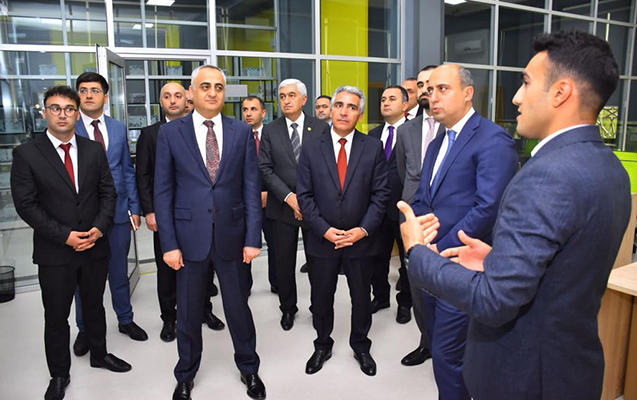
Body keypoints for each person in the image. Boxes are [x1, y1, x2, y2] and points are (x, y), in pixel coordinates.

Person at [400, 31, 631, 400]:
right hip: (570, 365)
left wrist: (419, 253)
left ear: (561, 92)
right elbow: (565, 268)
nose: (516, 97)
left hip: (525, 376)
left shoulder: (546, 175)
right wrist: (498, 259)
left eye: (526, 82)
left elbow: (494, 301)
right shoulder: (609, 167)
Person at [11, 86, 130, 400]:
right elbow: (26, 205)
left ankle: (99, 354)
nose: (62, 114)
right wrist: (65, 236)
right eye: (55, 108)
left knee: (94, 306)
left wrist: (99, 228)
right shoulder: (27, 154)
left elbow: (108, 193)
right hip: (55, 251)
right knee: (56, 316)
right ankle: (59, 374)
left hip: (94, 245)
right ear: (44, 113)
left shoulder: (93, 150)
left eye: (68, 109)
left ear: (77, 114)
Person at [154, 65, 266, 400]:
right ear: (192, 92)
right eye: (205, 86)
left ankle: (249, 368)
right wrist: (169, 244)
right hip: (188, 239)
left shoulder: (241, 132)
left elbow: (251, 187)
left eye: (218, 86)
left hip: (232, 236)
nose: (213, 92)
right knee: (188, 313)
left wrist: (253, 238)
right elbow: (163, 191)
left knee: (238, 309)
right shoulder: (171, 133)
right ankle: (185, 374)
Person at [409, 64, 518, 400]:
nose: (432, 96)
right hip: (433, 262)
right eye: (429, 90)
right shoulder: (437, 140)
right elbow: (423, 197)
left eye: (443, 89)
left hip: (462, 266)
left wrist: (438, 249)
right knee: (439, 348)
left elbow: (488, 207)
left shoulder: (492, 139)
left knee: (449, 357)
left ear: (468, 93)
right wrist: (419, 234)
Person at [297, 86, 390, 377]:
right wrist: (324, 230)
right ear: (331, 109)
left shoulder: (372, 147)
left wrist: (363, 230)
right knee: (321, 297)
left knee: (361, 298)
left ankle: (360, 345)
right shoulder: (311, 147)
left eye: (352, 107)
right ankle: (322, 344)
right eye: (339, 105)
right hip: (322, 240)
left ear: (359, 114)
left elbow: (381, 195)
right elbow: (304, 195)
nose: (344, 111)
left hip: (360, 241)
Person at [136, 82, 225, 343]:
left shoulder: (199, 130)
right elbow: (143, 175)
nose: (173, 101)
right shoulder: (150, 134)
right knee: (167, 270)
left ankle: (205, 310)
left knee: (204, 265)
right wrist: (149, 211)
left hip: (198, 214)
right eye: (167, 96)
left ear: (187, 99)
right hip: (165, 214)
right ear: (160, 101)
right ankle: (169, 318)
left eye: (178, 96)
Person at [73, 72, 147, 355]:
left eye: (94, 90)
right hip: (84, 216)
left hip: (117, 213)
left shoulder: (117, 128)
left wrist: (134, 207)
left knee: (118, 271)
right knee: (84, 278)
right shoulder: (70, 127)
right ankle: (84, 329)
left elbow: (127, 169)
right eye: (83, 90)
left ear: (105, 97)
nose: (88, 95)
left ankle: (125, 319)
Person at [258, 78, 330, 331]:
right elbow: (265, 168)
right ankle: (288, 309)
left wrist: (305, 200)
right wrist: (290, 197)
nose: (286, 100)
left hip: (315, 208)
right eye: (282, 96)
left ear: (304, 99)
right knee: (284, 263)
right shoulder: (270, 130)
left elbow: (326, 167)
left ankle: (319, 308)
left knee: (317, 263)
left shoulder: (321, 128)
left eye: (291, 95)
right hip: (281, 207)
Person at [395, 64, 444, 367]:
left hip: (446, 218)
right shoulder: (405, 130)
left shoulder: (453, 127)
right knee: (416, 281)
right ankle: (427, 342)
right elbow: (404, 173)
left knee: (446, 281)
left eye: (432, 84)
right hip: (412, 215)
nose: (427, 90)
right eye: (422, 85)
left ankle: (449, 345)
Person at [367, 85, 412, 324]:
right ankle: (380, 297)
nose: (385, 102)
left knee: (407, 260)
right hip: (376, 208)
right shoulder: (373, 135)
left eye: (392, 99)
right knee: (377, 257)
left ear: (405, 105)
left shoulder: (414, 132)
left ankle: (405, 303)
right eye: (383, 99)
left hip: (404, 207)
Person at [243, 95, 277, 293]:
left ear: (263, 113)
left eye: (253, 109)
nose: (248, 113)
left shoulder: (273, 135)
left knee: (276, 245)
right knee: (243, 245)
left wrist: (269, 194)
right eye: (245, 109)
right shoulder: (237, 135)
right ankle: (244, 286)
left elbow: (280, 168)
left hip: (270, 201)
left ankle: (277, 283)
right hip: (245, 202)